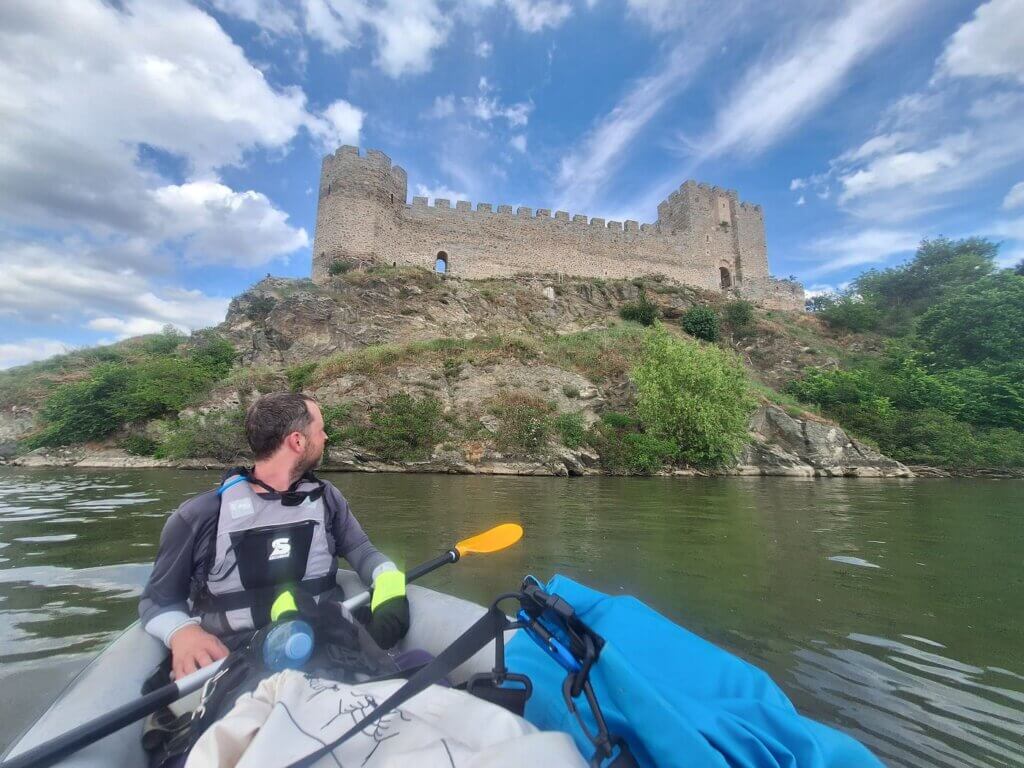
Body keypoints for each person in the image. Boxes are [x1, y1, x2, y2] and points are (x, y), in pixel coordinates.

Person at [138, 392, 409, 682]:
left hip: (328, 639)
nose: (326, 437)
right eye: (320, 430)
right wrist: (182, 632)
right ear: (297, 441)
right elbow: (157, 601)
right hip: (240, 658)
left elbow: (362, 550)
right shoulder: (199, 515)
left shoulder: (327, 499)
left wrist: (387, 576)